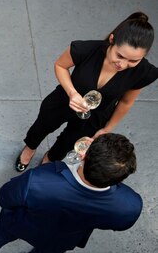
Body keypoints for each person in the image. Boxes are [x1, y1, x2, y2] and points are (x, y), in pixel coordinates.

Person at [0, 133, 142, 253]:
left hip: (20, 223)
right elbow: (120, 224)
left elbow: (5, 197)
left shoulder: (39, 179)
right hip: (64, 238)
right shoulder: (129, 205)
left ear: (83, 156)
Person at [15, 12, 158, 172]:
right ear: (112, 39)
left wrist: (107, 128)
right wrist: (72, 93)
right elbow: (60, 66)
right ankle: (30, 148)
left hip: (95, 116)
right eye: (120, 56)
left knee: (68, 143)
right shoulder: (86, 49)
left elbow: (126, 102)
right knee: (42, 126)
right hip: (63, 101)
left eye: (133, 61)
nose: (123, 65)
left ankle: (49, 159)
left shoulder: (143, 72)